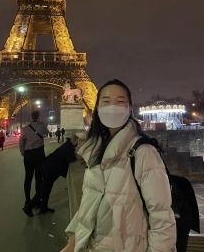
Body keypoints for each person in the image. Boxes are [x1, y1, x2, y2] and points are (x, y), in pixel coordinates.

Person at [61, 79, 176, 252]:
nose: (112, 106)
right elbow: (89, 204)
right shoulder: (94, 150)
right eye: (106, 102)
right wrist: (74, 242)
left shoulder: (143, 151)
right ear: (98, 108)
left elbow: (161, 216)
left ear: (129, 108)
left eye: (120, 101)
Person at [23, 134, 79, 217]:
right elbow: (71, 159)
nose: (77, 143)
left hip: (50, 167)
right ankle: (28, 207)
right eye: (77, 142)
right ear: (74, 141)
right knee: (44, 189)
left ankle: (44, 208)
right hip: (50, 168)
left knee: (47, 189)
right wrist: (78, 157)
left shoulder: (67, 145)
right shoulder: (69, 147)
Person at [19, 111, 49, 207]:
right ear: (38, 117)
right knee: (38, 178)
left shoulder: (25, 129)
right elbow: (47, 132)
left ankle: (27, 200)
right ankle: (37, 200)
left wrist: (24, 153)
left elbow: (21, 142)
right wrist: (41, 123)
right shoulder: (41, 126)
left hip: (28, 155)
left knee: (28, 177)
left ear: (31, 117)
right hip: (39, 154)